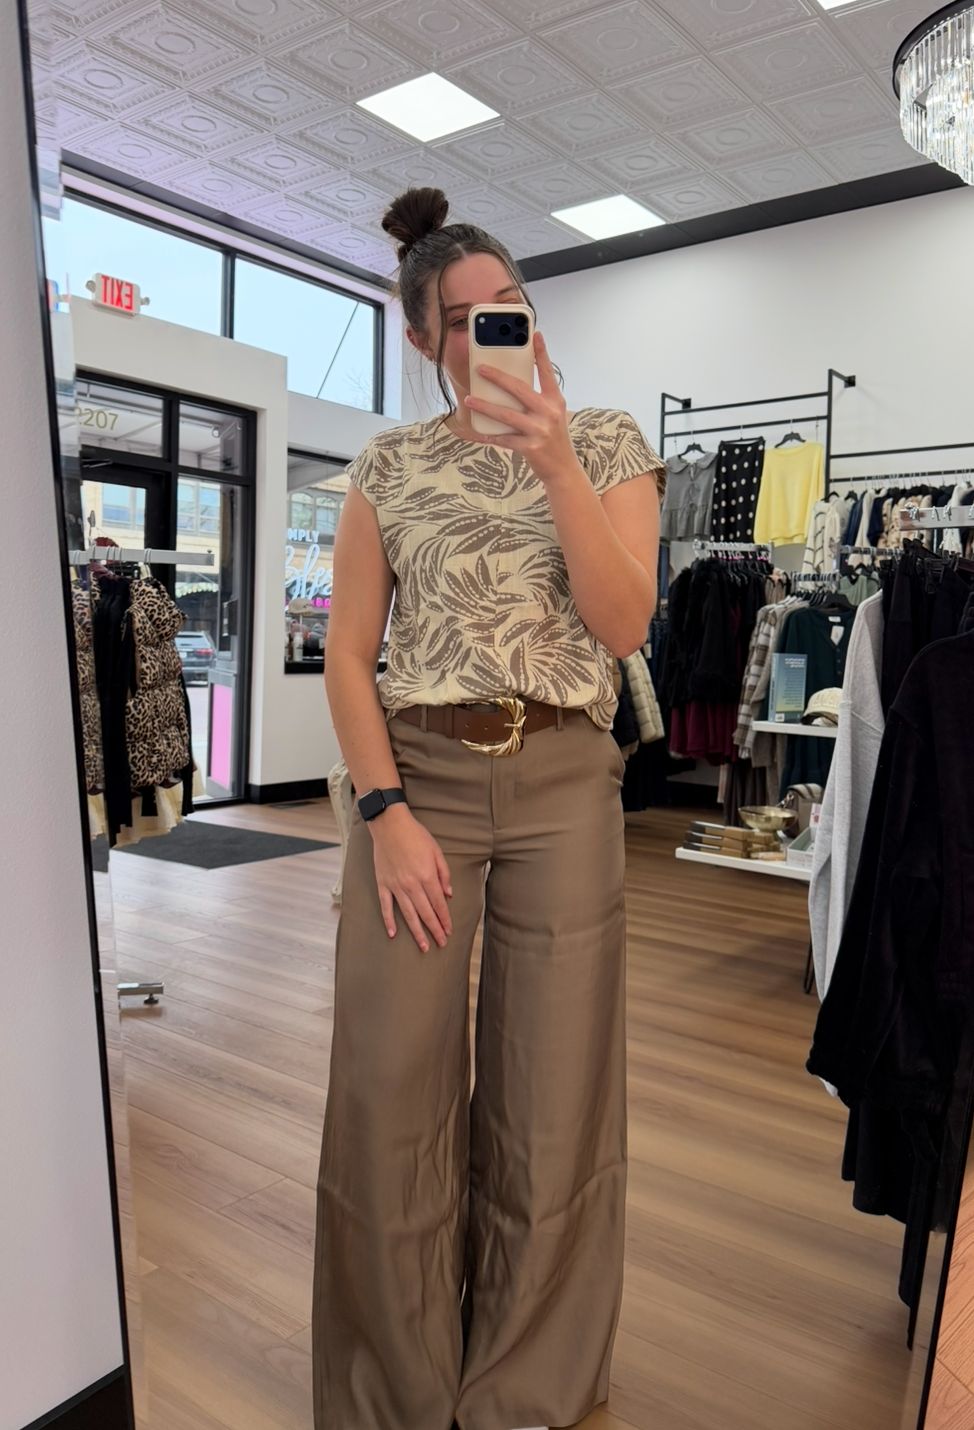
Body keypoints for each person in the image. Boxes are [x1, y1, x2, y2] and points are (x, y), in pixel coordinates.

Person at [314, 186, 666, 1430]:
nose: (488, 329)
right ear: (421, 343)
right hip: (419, 781)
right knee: (388, 1085)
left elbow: (622, 624)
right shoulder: (387, 464)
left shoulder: (610, 439)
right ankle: (393, 1392)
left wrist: (556, 458)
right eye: (459, 319)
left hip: (567, 777)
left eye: (506, 305)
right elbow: (348, 653)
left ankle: (523, 1386)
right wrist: (382, 810)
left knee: (551, 1093)